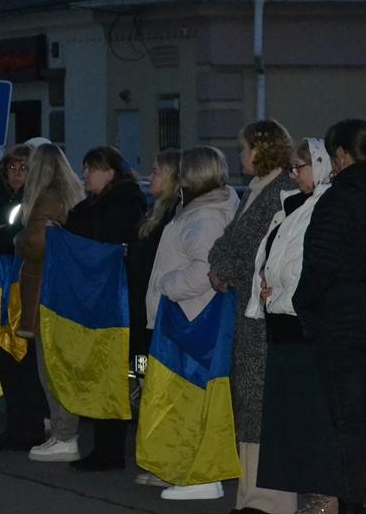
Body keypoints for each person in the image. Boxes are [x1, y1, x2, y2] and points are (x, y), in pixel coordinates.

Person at [293, 119, 366, 514]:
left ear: (340, 155)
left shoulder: (340, 200)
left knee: (349, 421)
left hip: (342, 322)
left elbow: (320, 267)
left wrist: (302, 306)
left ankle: (352, 500)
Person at [245, 138, 338, 514]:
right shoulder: (290, 205)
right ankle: (308, 496)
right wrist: (265, 287)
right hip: (281, 324)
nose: (294, 173)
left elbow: (311, 266)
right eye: (293, 167)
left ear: (319, 164)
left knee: (312, 418)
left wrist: (282, 288)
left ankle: (324, 497)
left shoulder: (327, 206)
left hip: (305, 328)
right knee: (292, 422)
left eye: (300, 166)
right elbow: (271, 257)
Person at [208, 119, 297, 513]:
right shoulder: (256, 191)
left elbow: (258, 251)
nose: (239, 155)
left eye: (244, 148)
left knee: (261, 405)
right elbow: (228, 241)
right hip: (248, 317)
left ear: (262, 150)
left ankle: (271, 500)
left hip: (266, 318)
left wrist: (224, 268)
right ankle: (249, 496)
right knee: (247, 404)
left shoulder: (282, 191)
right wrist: (219, 263)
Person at [144, 145, 239, 500]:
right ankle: (189, 470)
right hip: (190, 317)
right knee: (185, 401)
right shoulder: (202, 208)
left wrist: (166, 286)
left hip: (193, 319)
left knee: (194, 400)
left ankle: (203, 477)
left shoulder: (206, 216)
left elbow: (204, 270)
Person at [59, 146, 147, 471]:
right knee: (104, 373)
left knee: (123, 374)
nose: (85, 175)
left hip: (119, 309)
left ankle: (111, 451)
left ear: (110, 172)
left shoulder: (125, 206)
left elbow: (108, 248)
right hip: (100, 305)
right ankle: (104, 448)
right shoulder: (93, 206)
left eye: (91, 169)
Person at [15, 143, 86, 462]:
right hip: (61, 290)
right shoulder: (70, 195)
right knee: (58, 365)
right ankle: (62, 431)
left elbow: (35, 243)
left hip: (44, 290)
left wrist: (17, 239)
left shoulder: (46, 198)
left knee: (51, 367)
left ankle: (64, 434)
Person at [0, 144, 46, 451]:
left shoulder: (37, 201)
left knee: (24, 361)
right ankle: (14, 425)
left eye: (23, 168)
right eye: (12, 168)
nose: (17, 174)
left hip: (20, 290)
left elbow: (18, 241)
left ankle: (31, 428)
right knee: (4, 359)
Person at [131, 149, 182, 489]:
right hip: (139, 314)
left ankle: (167, 460)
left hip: (158, 317)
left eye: (157, 171)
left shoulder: (174, 215)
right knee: (140, 379)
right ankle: (152, 455)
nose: (152, 175)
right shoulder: (153, 211)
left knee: (159, 389)